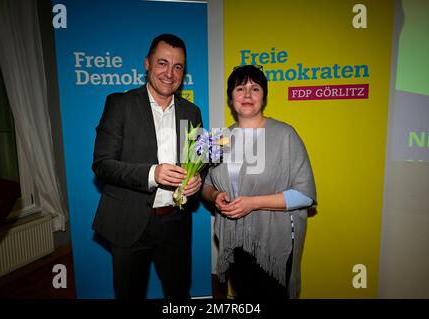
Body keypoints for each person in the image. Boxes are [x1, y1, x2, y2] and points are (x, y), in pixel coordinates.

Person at [92, 34, 203, 299]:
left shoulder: (192, 112)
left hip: (176, 223)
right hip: (129, 222)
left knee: (179, 294)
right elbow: (102, 164)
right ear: (147, 63)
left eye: (178, 67)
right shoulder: (120, 104)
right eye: (162, 63)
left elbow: (196, 160)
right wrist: (153, 174)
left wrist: (196, 178)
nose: (169, 73)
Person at [202, 64, 317, 299]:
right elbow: (205, 185)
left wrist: (253, 203)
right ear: (230, 97)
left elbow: (305, 194)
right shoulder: (218, 139)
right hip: (235, 241)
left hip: (273, 243)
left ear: (263, 97)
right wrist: (215, 196)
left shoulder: (286, 135)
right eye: (239, 88)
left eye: (254, 89)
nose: (246, 94)